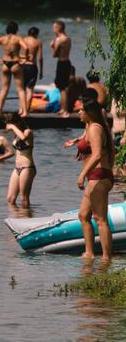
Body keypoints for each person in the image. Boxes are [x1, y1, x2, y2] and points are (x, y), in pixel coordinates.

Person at [72, 99, 115, 261]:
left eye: (82, 110)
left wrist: (82, 174)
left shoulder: (95, 128)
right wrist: (77, 144)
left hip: (99, 176)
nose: (79, 112)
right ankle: (89, 253)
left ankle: (106, 258)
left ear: (90, 113)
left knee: (100, 219)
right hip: (96, 175)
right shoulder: (91, 126)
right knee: (83, 215)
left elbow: (97, 154)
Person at [0, 21, 26, 117]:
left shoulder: (2, 39)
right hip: (16, 63)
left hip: (5, 64)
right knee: (20, 89)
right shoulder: (18, 38)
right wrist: (24, 58)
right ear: (16, 29)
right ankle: (25, 112)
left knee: (4, 89)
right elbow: (26, 47)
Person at [4, 113, 35, 206]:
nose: (8, 126)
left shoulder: (27, 132)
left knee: (24, 198)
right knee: (10, 198)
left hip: (27, 167)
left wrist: (13, 127)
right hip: (17, 168)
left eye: (10, 123)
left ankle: (26, 218)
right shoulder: (16, 134)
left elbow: (24, 138)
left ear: (17, 122)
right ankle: (15, 217)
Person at [51, 20, 74, 116]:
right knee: (63, 87)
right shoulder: (67, 38)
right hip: (67, 62)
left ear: (58, 28)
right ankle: (63, 109)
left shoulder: (59, 40)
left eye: (54, 27)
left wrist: (52, 46)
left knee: (62, 88)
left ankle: (65, 111)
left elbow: (55, 55)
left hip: (61, 63)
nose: (53, 29)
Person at [22, 26, 43, 95]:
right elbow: (40, 58)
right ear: (36, 34)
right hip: (32, 66)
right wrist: (41, 71)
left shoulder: (22, 40)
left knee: (22, 89)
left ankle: (22, 105)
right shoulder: (38, 42)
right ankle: (28, 106)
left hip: (22, 66)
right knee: (30, 89)